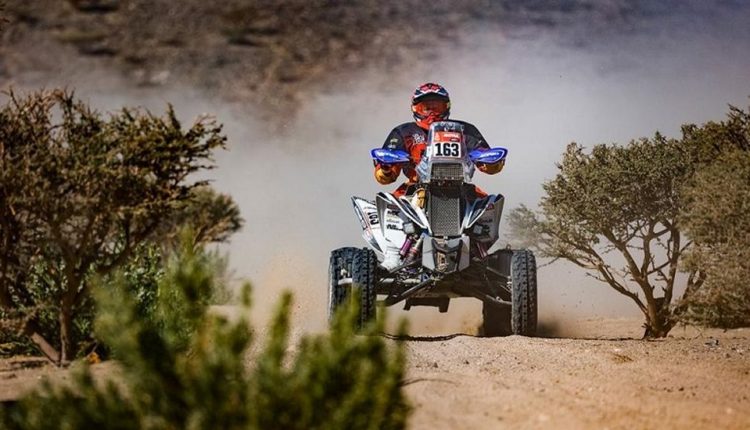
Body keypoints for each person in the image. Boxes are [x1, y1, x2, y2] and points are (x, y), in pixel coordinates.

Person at [373, 82, 503, 197]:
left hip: (461, 188)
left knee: (488, 207)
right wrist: (386, 168)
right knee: (387, 209)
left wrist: (493, 162)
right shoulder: (403, 131)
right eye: (426, 109)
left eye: (436, 108)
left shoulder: (465, 129)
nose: (432, 113)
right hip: (415, 188)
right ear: (415, 109)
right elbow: (384, 177)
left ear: (446, 107)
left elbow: (489, 163)